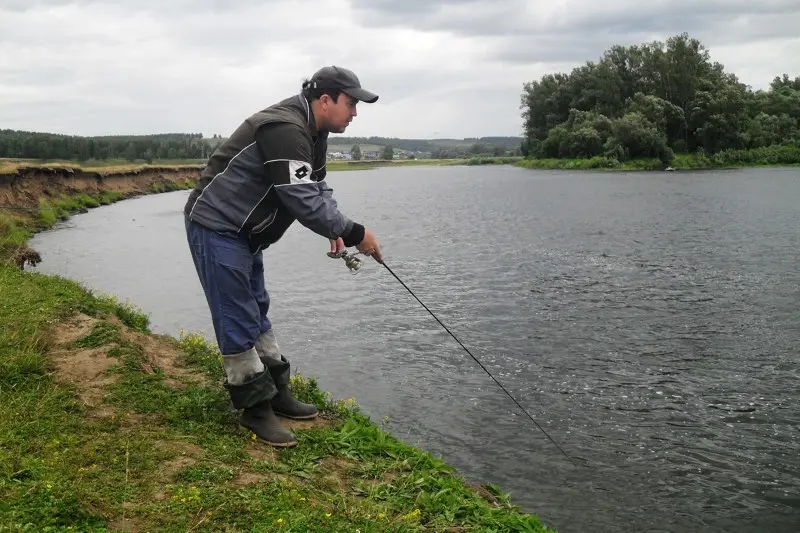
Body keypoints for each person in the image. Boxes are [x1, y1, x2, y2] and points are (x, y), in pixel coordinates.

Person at [183, 66, 384, 448]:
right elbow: (301, 198)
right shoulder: (286, 129)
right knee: (236, 313)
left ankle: (276, 393)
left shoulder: (315, 132)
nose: (355, 113)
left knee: (257, 306)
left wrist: (334, 229)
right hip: (217, 225)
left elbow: (316, 187)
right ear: (325, 100)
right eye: (351, 103)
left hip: (245, 233)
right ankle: (254, 409)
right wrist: (356, 233)